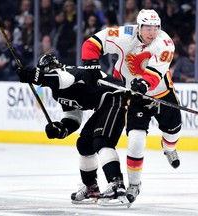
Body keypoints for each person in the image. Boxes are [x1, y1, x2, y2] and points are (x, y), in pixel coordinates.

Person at [81, 9, 182, 205]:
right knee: (135, 140)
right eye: (148, 28)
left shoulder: (165, 43)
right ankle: (134, 185)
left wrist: (143, 83)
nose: (152, 33)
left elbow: (155, 73)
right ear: (139, 26)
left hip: (162, 93)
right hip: (135, 98)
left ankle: (169, 148)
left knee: (173, 132)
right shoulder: (124, 35)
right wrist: (90, 64)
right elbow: (92, 43)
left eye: (155, 28)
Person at [16, 54, 129, 206]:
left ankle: (117, 188)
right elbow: (73, 117)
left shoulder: (70, 72)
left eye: (52, 69)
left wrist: (37, 77)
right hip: (104, 105)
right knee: (84, 144)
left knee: (102, 140)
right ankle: (91, 187)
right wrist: (61, 129)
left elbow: (62, 78)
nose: (53, 71)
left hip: (116, 98)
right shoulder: (58, 92)